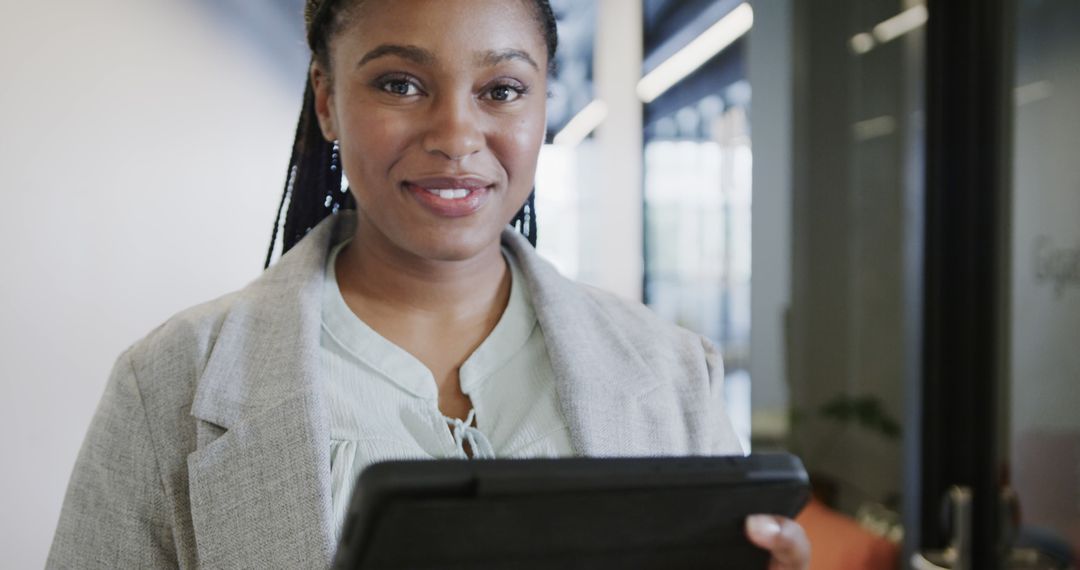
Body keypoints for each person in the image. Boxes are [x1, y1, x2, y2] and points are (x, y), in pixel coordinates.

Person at [47, 0, 810, 567]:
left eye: (502, 89)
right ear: (326, 99)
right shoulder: (168, 386)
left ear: (544, 103)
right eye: (401, 84)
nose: (454, 135)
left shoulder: (673, 372)